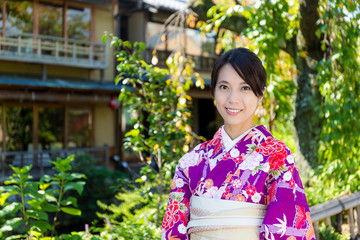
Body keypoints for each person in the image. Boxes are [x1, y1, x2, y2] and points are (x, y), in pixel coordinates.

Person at [161, 48, 315, 240]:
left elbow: (287, 228)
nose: (233, 98)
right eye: (224, 87)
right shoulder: (190, 162)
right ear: (214, 92)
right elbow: (173, 232)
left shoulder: (277, 157)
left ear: (260, 94)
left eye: (245, 88)